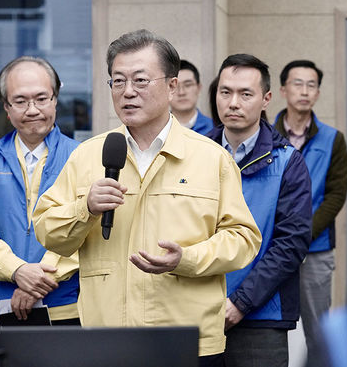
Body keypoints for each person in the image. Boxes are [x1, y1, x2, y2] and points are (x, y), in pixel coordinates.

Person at [33, 29, 261, 365]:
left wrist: (186, 259)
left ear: (172, 86)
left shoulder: (211, 158)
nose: (127, 93)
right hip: (107, 339)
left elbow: (243, 240)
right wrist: (86, 208)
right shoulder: (88, 156)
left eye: (140, 81)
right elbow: (48, 231)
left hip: (187, 341)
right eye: (118, 81)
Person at [206, 54, 312, 367]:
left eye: (245, 94)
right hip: (198, 311)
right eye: (225, 92)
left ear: (265, 99)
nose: (233, 103)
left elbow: (290, 245)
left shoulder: (288, 162)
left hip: (261, 316)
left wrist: (240, 302)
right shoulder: (196, 154)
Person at [0, 56, 80, 325]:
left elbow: (87, 231)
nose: (32, 109)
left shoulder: (82, 158)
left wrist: (36, 283)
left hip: (67, 308)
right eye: (21, 101)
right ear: (6, 107)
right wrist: (17, 271)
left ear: (55, 99)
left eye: (41, 98)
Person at [273, 59, 347, 363]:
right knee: (264, 325)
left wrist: (303, 234)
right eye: (297, 83)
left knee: (318, 330)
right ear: (282, 90)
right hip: (272, 248)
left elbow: (336, 195)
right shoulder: (266, 136)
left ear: (317, 93)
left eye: (311, 85)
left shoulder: (333, 139)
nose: (304, 91)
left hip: (315, 250)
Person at [170, 59, 214, 135]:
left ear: (199, 88)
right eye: (175, 86)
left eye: (187, 85)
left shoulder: (215, 129)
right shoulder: (157, 130)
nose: (181, 92)